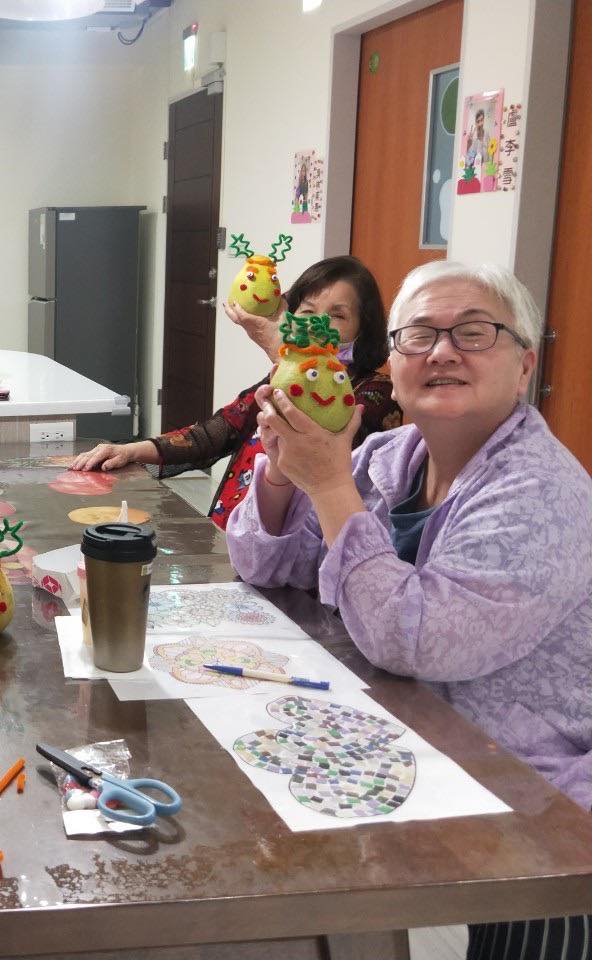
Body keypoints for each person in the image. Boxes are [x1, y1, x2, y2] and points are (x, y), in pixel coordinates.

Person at [226, 261, 592, 959]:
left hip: (542, 804)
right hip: (421, 757)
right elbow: (269, 564)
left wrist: (328, 483)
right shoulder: (391, 456)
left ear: (524, 366)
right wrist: (281, 468)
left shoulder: (540, 492)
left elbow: (413, 638)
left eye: (474, 333)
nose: (443, 352)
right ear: (392, 367)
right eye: (419, 335)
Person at [70, 256, 402, 527]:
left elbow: (331, 446)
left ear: (363, 328)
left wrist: (283, 354)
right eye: (308, 311)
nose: (318, 324)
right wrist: (131, 450)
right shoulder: (279, 377)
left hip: (299, 555)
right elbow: (218, 431)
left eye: (337, 315)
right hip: (234, 530)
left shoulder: (377, 393)